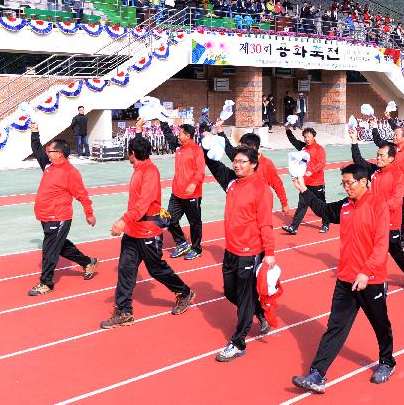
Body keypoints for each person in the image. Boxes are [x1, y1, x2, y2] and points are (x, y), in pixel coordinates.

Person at [290, 165, 396, 394]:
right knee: (335, 327)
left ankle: (387, 362)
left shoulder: (378, 206)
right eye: (344, 183)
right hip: (346, 278)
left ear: (364, 182)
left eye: (350, 183)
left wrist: (366, 272)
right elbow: (324, 210)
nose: (346, 187)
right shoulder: (345, 206)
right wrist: (304, 190)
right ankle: (317, 373)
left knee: (380, 324)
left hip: (371, 279)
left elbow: (381, 245)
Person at [101, 136, 194, 329]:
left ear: (132, 154)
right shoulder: (139, 169)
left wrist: (123, 220)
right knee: (126, 270)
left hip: (148, 231)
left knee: (156, 269)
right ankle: (124, 311)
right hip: (133, 231)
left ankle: (184, 292)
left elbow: (143, 204)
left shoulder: (150, 172)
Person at [203, 145, 276, 362]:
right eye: (235, 161)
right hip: (231, 249)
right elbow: (215, 166)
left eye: (243, 161)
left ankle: (238, 343)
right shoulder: (233, 184)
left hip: (250, 251)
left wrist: (269, 252)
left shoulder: (261, 189)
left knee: (244, 298)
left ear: (254, 164)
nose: (237, 165)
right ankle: (260, 312)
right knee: (230, 293)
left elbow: (265, 224)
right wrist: (207, 144)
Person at [26, 124, 98, 296]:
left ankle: (46, 283)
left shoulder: (71, 173)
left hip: (59, 217)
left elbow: (82, 194)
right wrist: (35, 132)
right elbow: (36, 149)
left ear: (58, 154)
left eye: (49, 150)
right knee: (61, 245)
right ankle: (88, 262)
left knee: (50, 250)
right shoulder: (49, 166)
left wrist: (89, 213)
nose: (46, 152)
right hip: (45, 216)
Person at [350, 129, 404, 291]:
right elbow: (358, 160)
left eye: (382, 156)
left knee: (396, 252)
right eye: (377, 155)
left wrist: (379, 209)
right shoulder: (374, 172)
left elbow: (395, 201)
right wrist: (354, 141)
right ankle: (379, 281)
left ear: (391, 158)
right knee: (373, 252)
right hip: (373, 221)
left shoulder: (397, 175)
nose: (378, 158)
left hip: (390, 222)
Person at [215, 122, 292, 217]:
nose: (240, 150)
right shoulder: (240, 158)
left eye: (243, 147)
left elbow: (277, 184)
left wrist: (284, 203)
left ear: (253, 147)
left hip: (260, 205)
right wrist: (219, 129)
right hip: (243, 204)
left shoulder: (266, 164)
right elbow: (228, 148)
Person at [155, 119, 206, 260]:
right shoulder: (178, 147)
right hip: (177, 193)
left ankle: (196, 249)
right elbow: (168, 135)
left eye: (180, 133)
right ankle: (182, 243)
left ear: (188, 136)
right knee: (168, 220)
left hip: (192, 195)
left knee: (195, 223)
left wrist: (193, 184)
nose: (178, 135)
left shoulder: (196, 150)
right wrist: (162, 120)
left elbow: (201, 171)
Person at [282, 126, 328, 234]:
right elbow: (293, 141)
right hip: (304, 183)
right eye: (305, 137)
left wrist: (311, 171)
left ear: (313, 136)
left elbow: (321, 163)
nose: (307, 139)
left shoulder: (319, 149)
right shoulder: (303, 147)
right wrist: (288, 130)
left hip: (317, 183)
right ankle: (294, 227)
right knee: (302, 205)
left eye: (309, 136)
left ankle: (325, 224)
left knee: (321, 205)